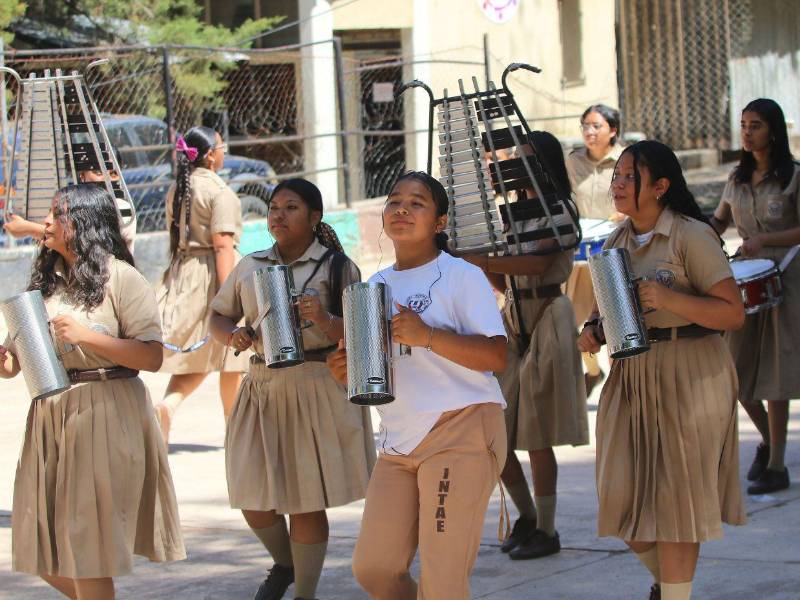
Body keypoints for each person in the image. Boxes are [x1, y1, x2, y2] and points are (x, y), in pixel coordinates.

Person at [327, 171, 508, 599]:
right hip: (399, 443)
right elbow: (375, 372)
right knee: (375, 568)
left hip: (461, 428)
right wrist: (346, 371)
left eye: (417, 202)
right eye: (394, 201)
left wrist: (426, 334)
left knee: (443, 580)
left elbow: (496, 356)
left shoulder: (460, 274)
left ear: (440, 222)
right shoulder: (373, 287)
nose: (402, 209)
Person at [578, 141, 746, 600]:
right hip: (632, 377)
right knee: (619, 499)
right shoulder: (616, 242)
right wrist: (593, 329)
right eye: (617, 176)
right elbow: (602, 312)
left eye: (630, 176)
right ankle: (668, 584)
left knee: (677, 505)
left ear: (661, 186)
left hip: (692, 375)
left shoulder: (692, 235)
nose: (618, 184)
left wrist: (672, 300)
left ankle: (674, 594)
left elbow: (732, 314)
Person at [0, 184, 185, 600]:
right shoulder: (46, 283)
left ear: (83, 223)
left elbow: (152, 357)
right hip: (52, 419)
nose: (45, 222)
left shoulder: (122, 277)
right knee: (41, 546)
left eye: (56, 214)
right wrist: (5, 361)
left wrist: (87, 337)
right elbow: (15, 364)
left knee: (86, 547)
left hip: (106, 412)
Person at [209, 178, 375, 600]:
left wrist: (322, 319)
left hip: (315, 385)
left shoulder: (338, 266)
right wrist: (234, 336)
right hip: (261, 385)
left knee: (304, 498)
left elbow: (362, 336)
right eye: (274, 208)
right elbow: (218, 315)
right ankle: (285, 563)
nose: (278, 215)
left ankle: (305, 591)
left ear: (314, 217)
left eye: (291, 208)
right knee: (251, 494)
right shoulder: (251, 265)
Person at [467, 131, 588, 560]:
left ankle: (548, 529)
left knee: (537, 434)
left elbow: (537, 263)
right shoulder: (513, 213)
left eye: (527, 160)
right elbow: (505, 277)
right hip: (515, 315)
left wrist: (479, 258)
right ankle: (528, 516)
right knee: (494, 425)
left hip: (549, 316)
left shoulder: (559, 209)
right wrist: (484, 262)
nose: (517, 168)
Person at [711, 98, 800, 495]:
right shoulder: (736, 178)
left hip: (787, 277)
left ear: (774, 131)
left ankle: (778, 465)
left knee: (776, 374)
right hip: (745, 284)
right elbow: (718, 221)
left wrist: (765, 239)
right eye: (744, 125)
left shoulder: (793, 176)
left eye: (756, 125)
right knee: (736, 371)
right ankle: (767, 441)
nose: (747, 132)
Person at [154, 126, 249, 444]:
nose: (224, 152)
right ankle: (233, 428)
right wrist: (229, 296)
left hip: (184, 272)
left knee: (200, 353)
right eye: (221, 147)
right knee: (232, 356)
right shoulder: (220, 192)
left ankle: (169, 404)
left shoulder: (178, 188)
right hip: (212, 274)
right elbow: (222, 245)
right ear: (210, 155)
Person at [565, 104, 624, 395]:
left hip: (613, 252)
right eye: (585, 125)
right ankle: (593, 370)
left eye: (596, 126)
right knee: (573, 325)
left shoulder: (625, 160)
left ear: (612, 131)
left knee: (613, 323)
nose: (589, 131)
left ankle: (620, 384)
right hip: (580, 254)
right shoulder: (573, 161)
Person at [3, 159, 137, 251]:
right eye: (98, 173)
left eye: (113, 174)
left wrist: (29, 228)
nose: (107, 179)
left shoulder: (121, 207)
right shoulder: (72, 205)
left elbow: (87, 243)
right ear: (82, 176)